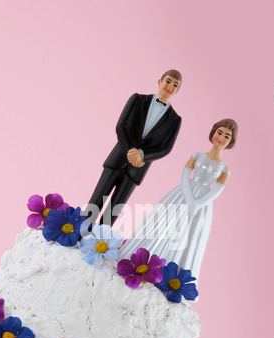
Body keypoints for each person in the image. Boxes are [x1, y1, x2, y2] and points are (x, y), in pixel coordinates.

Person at [119, 118, 238, 283]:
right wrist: (189, 197)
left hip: (202, 204)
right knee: (163, 224)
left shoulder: (225, 169)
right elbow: (185, 174)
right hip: (182, 194)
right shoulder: (197, 156)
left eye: (227, 136)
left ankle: (171, 275)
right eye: (219, 132)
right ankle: (142, 258)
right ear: (213, 133)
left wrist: (198, 203)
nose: (221, 138)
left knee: (189, 234)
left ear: (231, 141)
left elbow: (217, 190)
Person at [83, 70, 182, 228]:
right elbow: (122, 126)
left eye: (175, 85)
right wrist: (131, 151)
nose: (170, 86)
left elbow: (165, 148)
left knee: (115, 208)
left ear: (177, 91)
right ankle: (79, 234)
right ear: (159, 81)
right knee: (97, 199)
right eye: (168, 81)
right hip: (118, 159)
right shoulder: (137, 99)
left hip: (138, 168)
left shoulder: (175, 120)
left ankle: (98, 242)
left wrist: (142, 155)